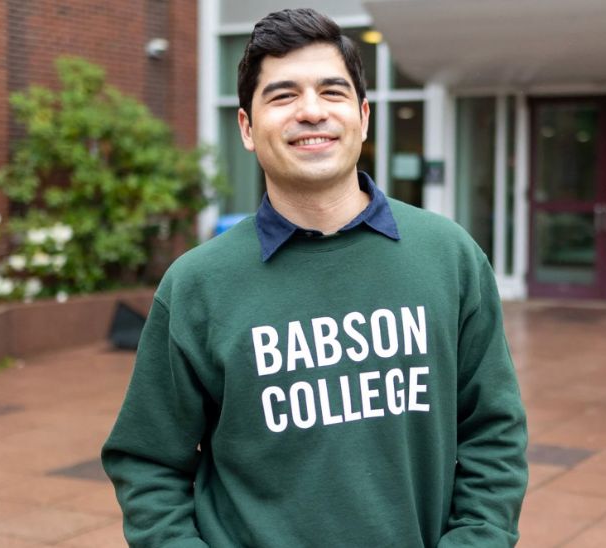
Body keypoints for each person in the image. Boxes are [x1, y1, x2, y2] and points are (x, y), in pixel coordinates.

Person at [100, 8, 527, 547]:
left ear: (363, 116)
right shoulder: (198, 285)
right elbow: (147, 461)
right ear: (247, 128)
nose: (311, 112)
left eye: (332, 91)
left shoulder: (450, 256)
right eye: (282, 96)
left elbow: (495, 433)